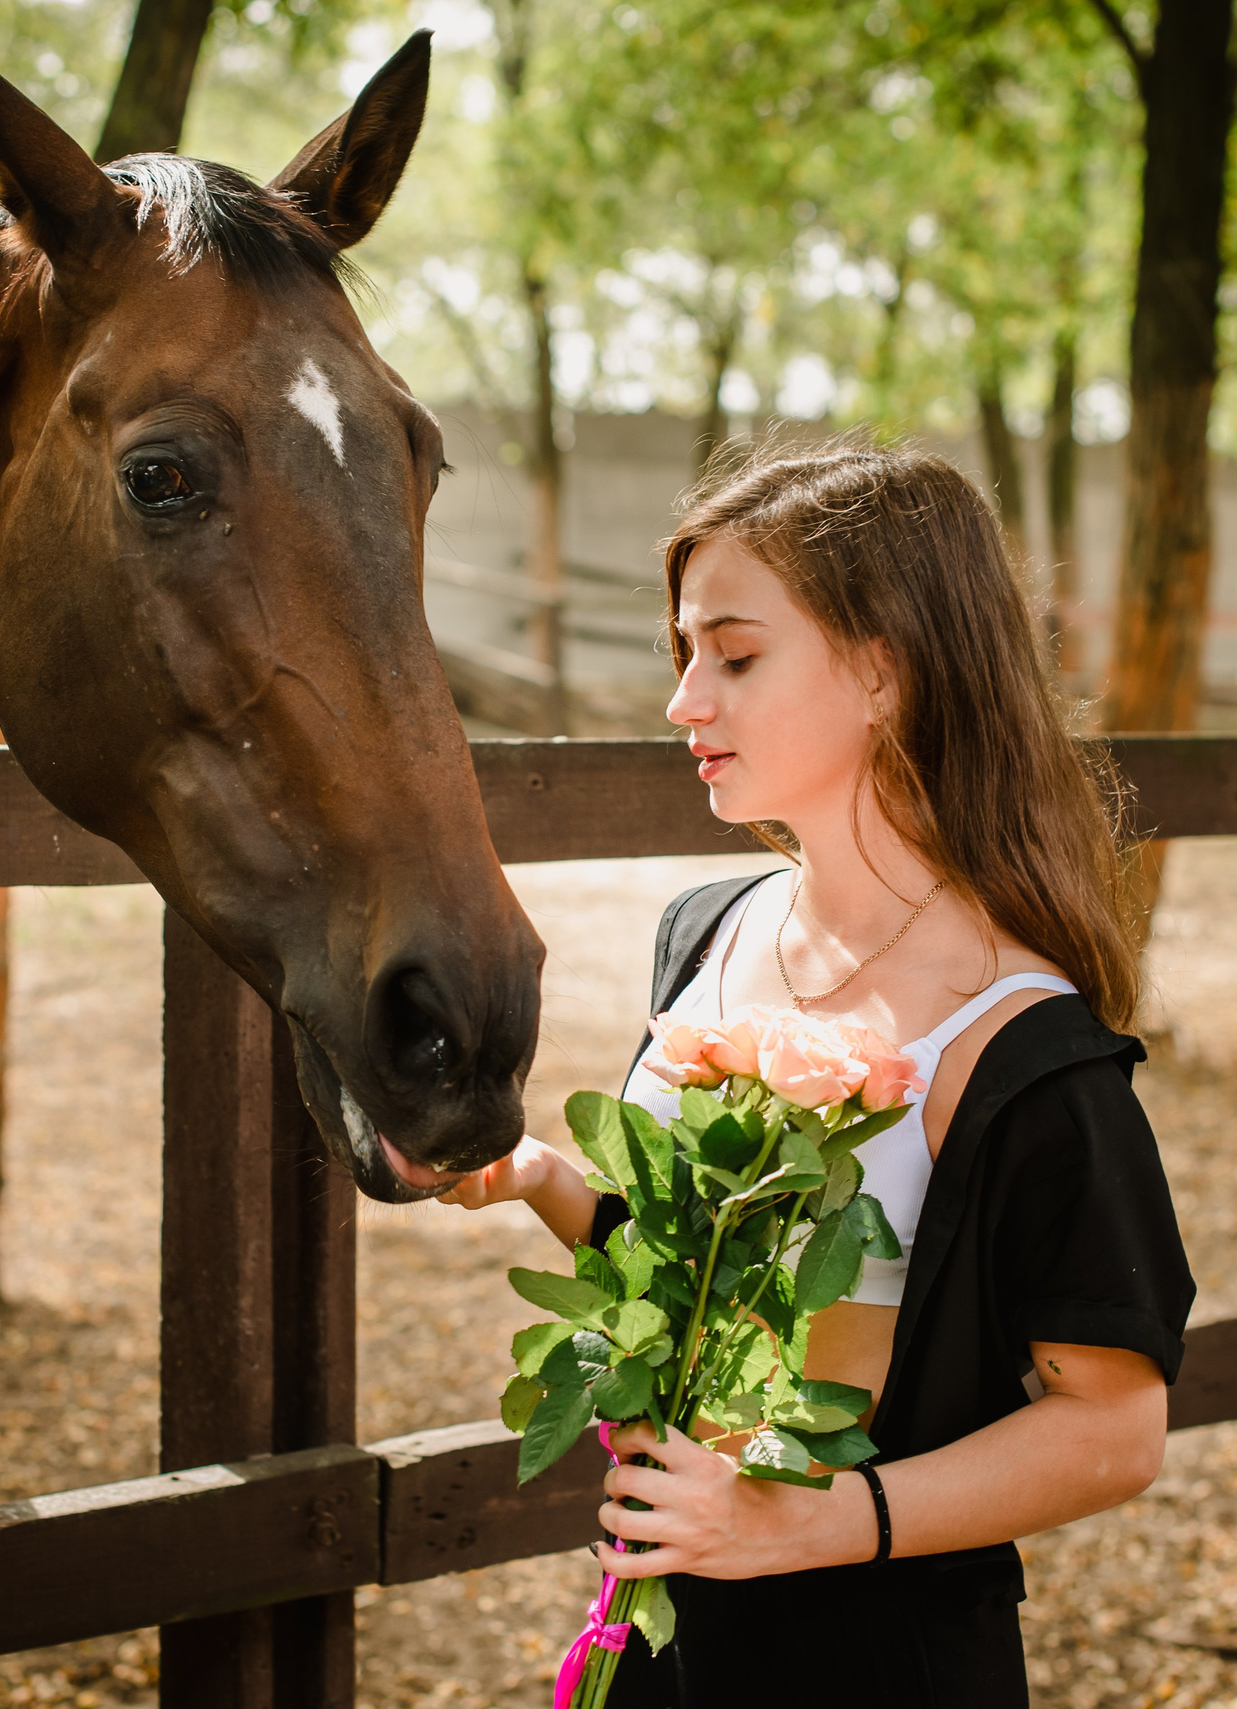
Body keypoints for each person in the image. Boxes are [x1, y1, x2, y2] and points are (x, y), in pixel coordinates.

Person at [438, 443, 1194, 1707]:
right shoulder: (706, 932)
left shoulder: (1019, 1041)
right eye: (684, 652)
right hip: (659, 1636)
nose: (683, 699)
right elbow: (702, 1281)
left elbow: (1113, 1427)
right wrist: (538, 1175)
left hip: (877, 1663)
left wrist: (806, 1522)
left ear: (883, 672)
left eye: (734, 656)